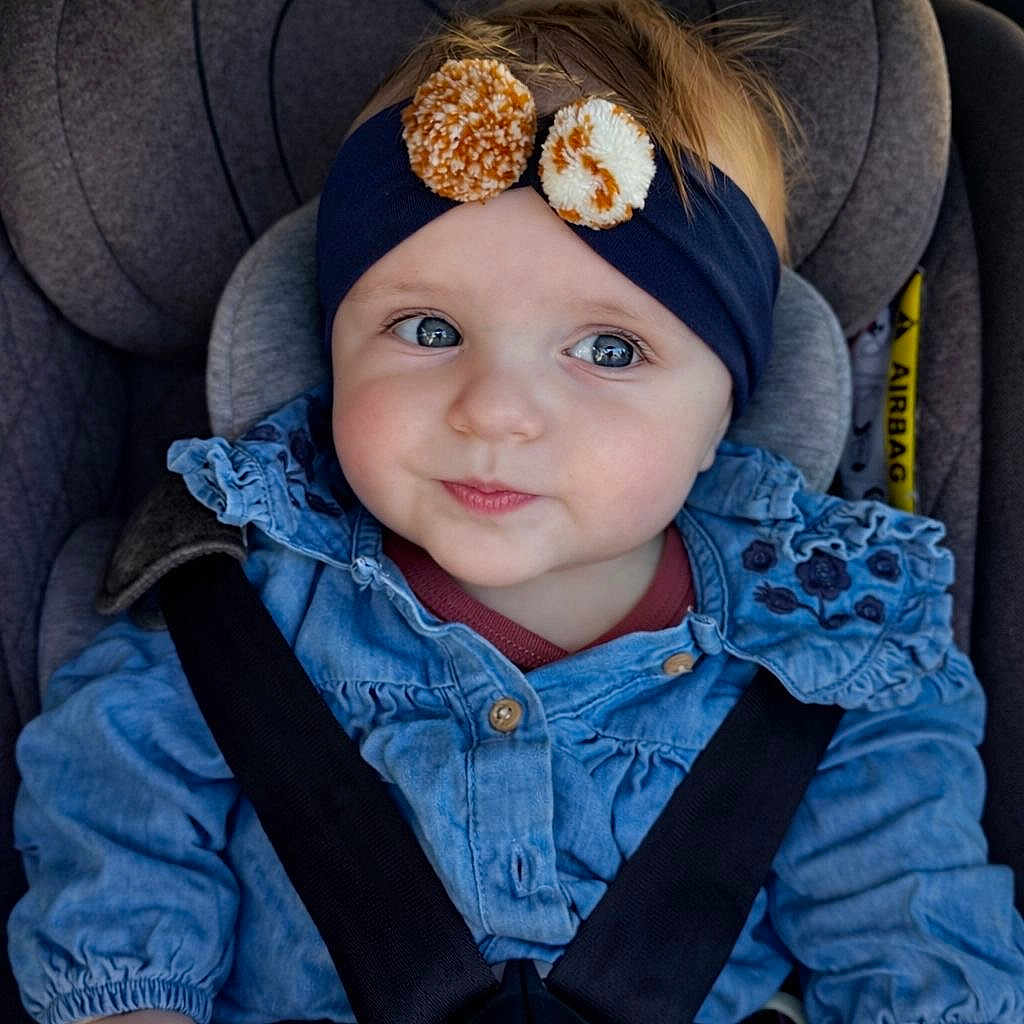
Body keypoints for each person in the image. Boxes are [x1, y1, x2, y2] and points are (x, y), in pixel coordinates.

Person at [8, 1, 1024, 1022]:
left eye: (610, 350)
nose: (493, 409)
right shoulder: (244, 601)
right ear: (331, 348)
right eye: (427, 327)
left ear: (727, 411)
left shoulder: (830, 651)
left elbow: (910, 926)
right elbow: (119, 818)